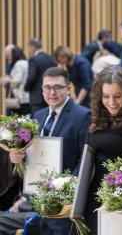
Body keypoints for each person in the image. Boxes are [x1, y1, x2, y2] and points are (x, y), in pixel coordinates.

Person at [0, 67, 91, 235]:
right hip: (41, 201)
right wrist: (17, 156)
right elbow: (33, 159)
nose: (52, 92)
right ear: (42, 89)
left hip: (65, 203)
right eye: (47, 87)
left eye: (58, 87)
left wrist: (63, 188)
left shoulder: (83, 116)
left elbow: (85, 161)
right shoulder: (38, 117)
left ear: (68, 89)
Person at [83, 66, 122, 235]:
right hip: (94, 194)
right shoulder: (97, 117)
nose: (112, 102)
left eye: (117, 96)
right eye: (106, 96)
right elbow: (85, 157)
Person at [24, 38, 57, 115]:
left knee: (38, 121)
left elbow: (31, 78)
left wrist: (25, 88)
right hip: (51, 95)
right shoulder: (51, 59)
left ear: (33, 48)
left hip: (37, 97)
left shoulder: (33, 60)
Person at [0, 46, 31, 115]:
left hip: (21, 97)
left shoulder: (19, 64)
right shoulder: (26, 62)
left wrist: (8, 79)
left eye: (9, 55)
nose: (7, 58)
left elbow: (17, 80)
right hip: (26, 97)